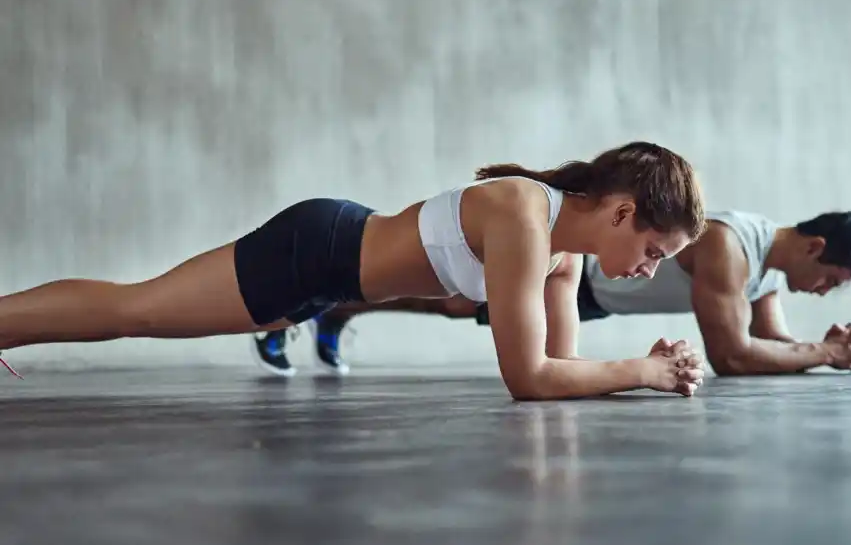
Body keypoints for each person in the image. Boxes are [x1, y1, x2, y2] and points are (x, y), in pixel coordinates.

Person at [0, 141, 708, 399]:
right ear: (623, 212)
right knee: (139, 310)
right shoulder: (523, 215)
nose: (650, 272)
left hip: (328, 283)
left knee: (142, 311)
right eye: (655, 252)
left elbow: (561, 370)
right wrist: (641, 372)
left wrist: (644, 367)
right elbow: (529, 380)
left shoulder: (562, 255)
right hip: (317, 250)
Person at [260, 209, 851, 377]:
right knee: (450, 297)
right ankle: (319, 303)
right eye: (834, 281)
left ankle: (334, 309)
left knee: (452, 303)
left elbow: (771, 342)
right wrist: (823, 355)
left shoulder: (768, 271)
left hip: (598, 297)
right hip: (583, 273)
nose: (826, 293)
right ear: (816, 248)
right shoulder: (730, 246)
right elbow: (734, 356)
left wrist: (827, 349)